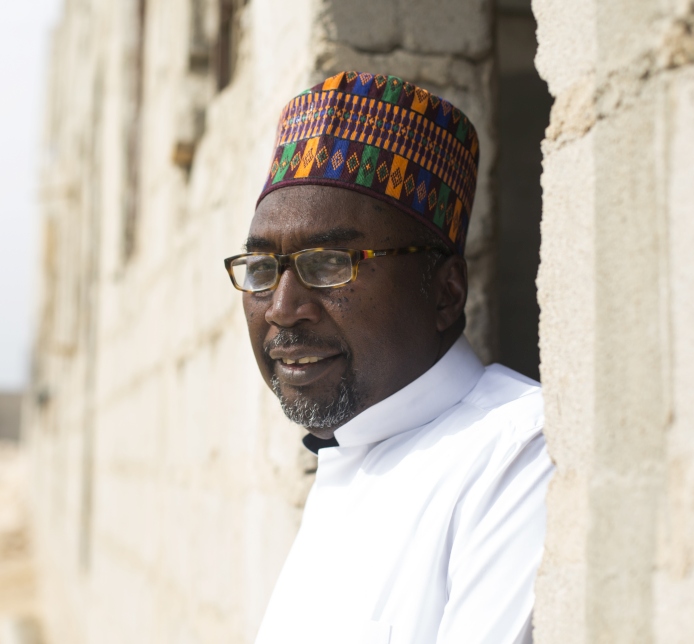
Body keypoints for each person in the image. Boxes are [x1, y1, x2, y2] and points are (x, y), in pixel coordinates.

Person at [223, 71, 553, 643]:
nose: (282, 308)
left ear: (445, 291)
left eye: (329, 264)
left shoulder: (519, 454)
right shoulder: (347, 452)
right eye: (261, 270)